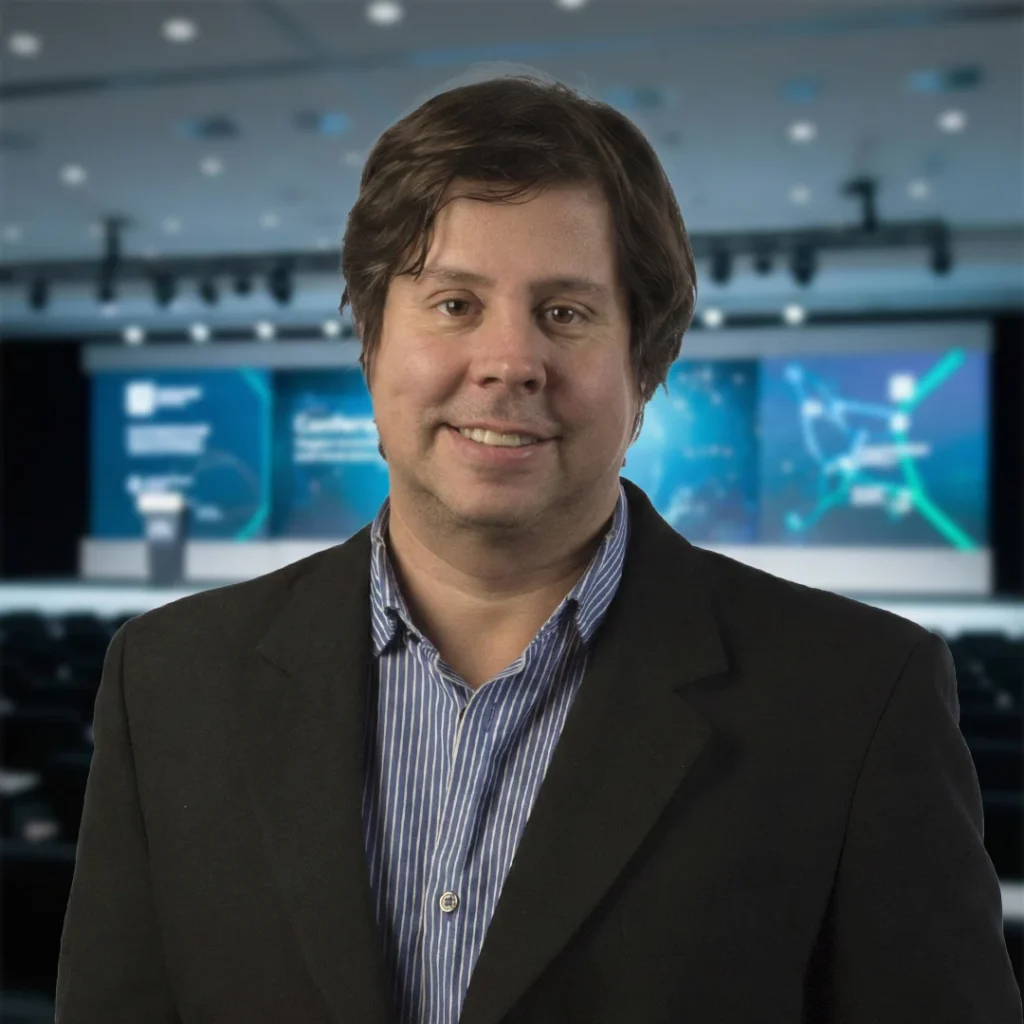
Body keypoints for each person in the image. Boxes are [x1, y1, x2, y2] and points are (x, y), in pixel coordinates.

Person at [56, 73, 1020, 1024]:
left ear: (644, 370)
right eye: (453, 304)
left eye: (565, 312)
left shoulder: (859, 700)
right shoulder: (168, 681)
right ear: (372, 343)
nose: (510, 363)